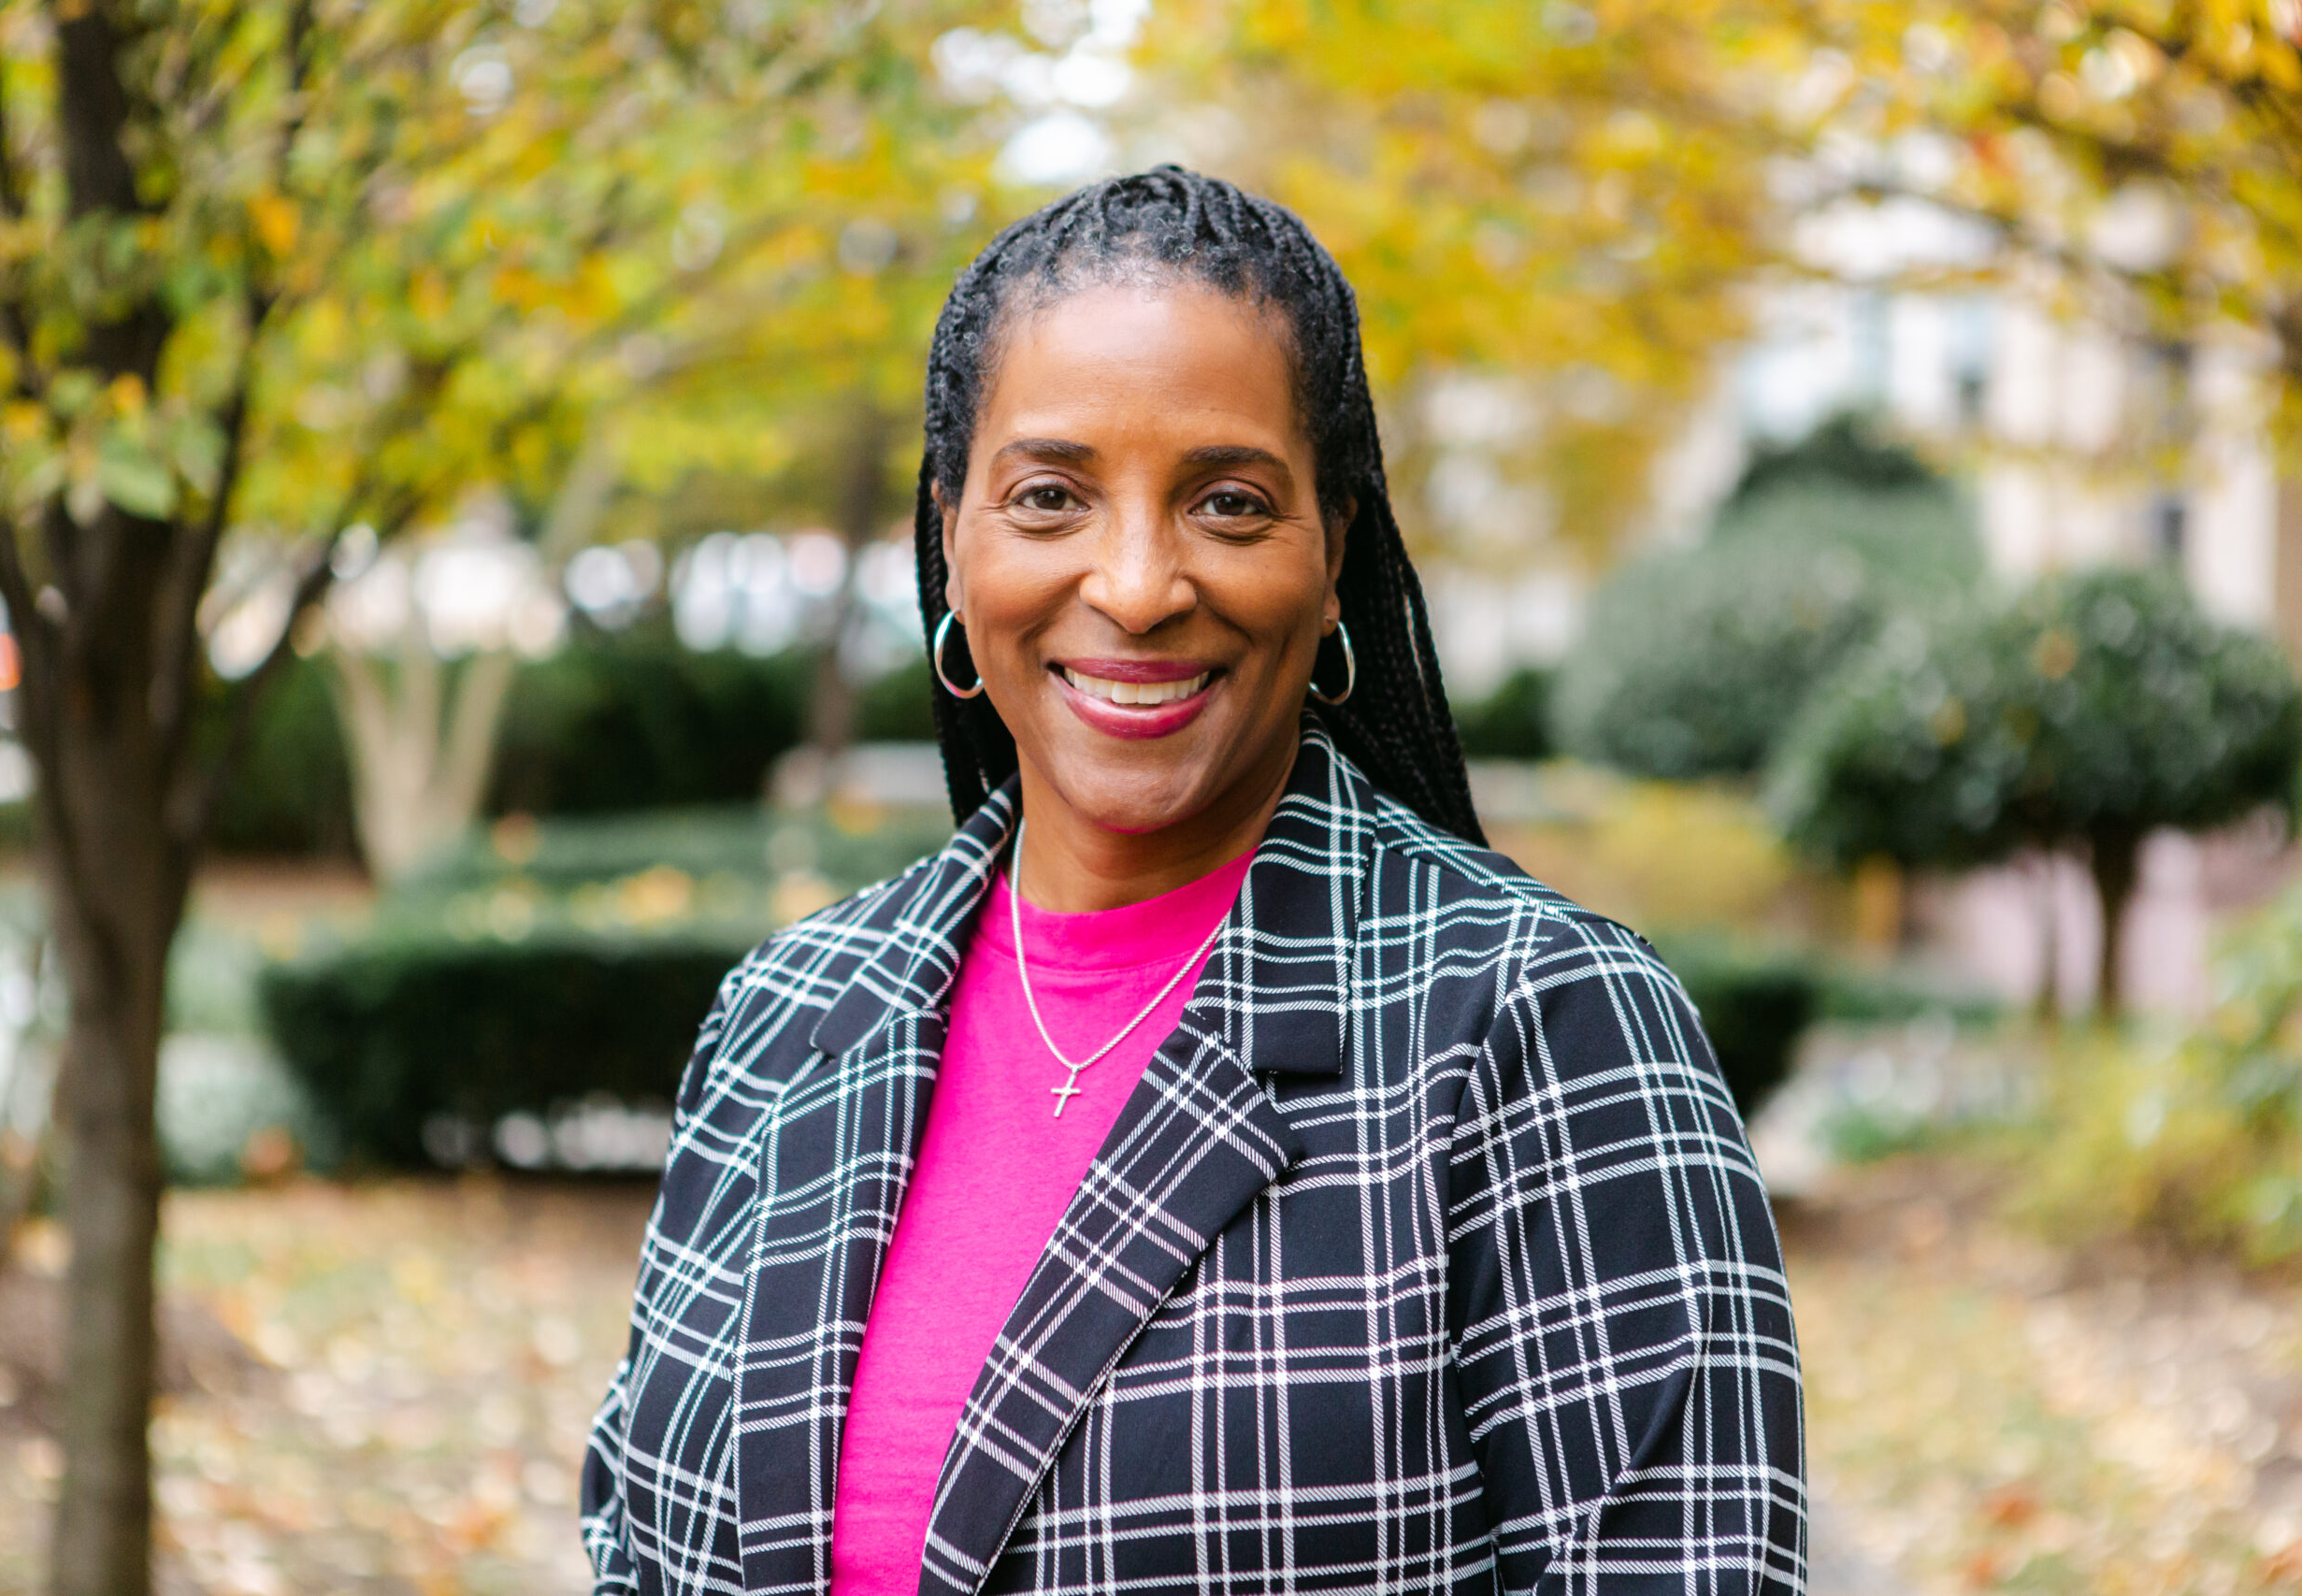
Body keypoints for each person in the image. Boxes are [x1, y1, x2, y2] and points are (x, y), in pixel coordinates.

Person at [582, 166, 1805, 1595]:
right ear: (953, 537)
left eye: (1228, 504)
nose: (1140, 582)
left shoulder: (1537, 1027)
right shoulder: (787, 1017)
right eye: (1049, 496)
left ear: (1333, 552)